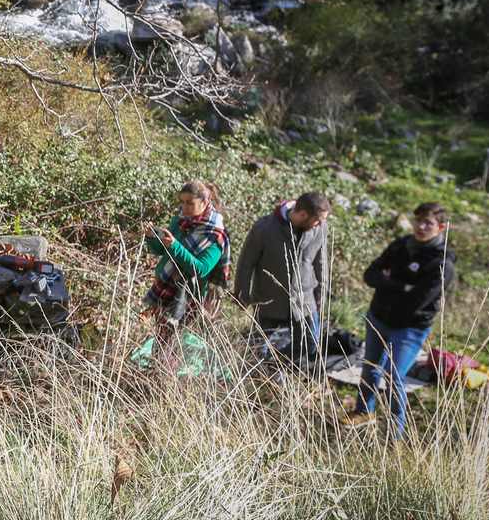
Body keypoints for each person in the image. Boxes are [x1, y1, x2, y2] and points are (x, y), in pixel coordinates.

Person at [345, 202, 458, 437]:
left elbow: (419, 300)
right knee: (370, 368)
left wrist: (388, 284)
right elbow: (370, 275)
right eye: (418, 220)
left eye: (428, 223)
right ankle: (363, 412)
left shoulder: (442, 262)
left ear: (441, 227)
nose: (421, 227)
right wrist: (401, 286)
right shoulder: (400, 245)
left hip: (410, 328)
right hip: (378, 317)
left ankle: (394, 432)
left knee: (393, 376)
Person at [234, 191, 331, 371]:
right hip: (269, 301)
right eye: (318, 220)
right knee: (257, 350)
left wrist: (321, 297)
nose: (320, 224)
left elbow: (321, 263)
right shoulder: (265, 228)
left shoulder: (320, 228)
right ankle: (258, 378)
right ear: (303, 215)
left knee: (310, 344)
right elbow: (246, 263)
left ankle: (276, 369)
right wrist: (242, 295)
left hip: (305, 302)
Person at [139, 180, 228, 371]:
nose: (184, 207)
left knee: (172, 341)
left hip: (187, 296)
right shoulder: (180, 221)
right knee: (161, 337)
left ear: (204, 202)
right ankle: (156, 374)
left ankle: (164, 377)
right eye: (182, 202)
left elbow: (201, 268)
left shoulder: (215, 235)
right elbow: (162, 251)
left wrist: (175, 246)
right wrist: (152, 238)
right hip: (164, 286)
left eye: (190, 203)